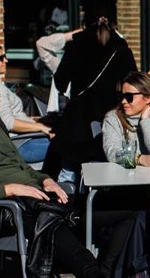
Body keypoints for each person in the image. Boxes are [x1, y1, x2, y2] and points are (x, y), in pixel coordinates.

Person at [0, 71, 112, 278]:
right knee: (64, 233)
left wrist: (45, 179)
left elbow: (23, 169)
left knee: (104, 213)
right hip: (8, 207)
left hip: (34, 198)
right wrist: (10, 189)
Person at [52, 12, 138, 180]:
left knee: (69, 171)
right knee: (106, 171)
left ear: (84, 24)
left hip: (78, 119)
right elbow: (132, 83)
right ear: (113, 25)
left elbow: (60, 82)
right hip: (110, 118)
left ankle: (67, 196)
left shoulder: (75, 46)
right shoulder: (122, 49)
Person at [0, 43, 55, 163]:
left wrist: (34, 119)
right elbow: (8, 122)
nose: (6, 60)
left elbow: (7, 115)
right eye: (1, 58)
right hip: (21, 143)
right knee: (68, 145)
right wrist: (41, 127)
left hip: (25, 140)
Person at [102, 72, 150, 168]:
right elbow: (112, 152)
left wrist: (145, 121)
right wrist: (140, 159)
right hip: (122, 176)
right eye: (121, 96)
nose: (123, 101)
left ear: (148, 98)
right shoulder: (113, 118)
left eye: (129, 97)